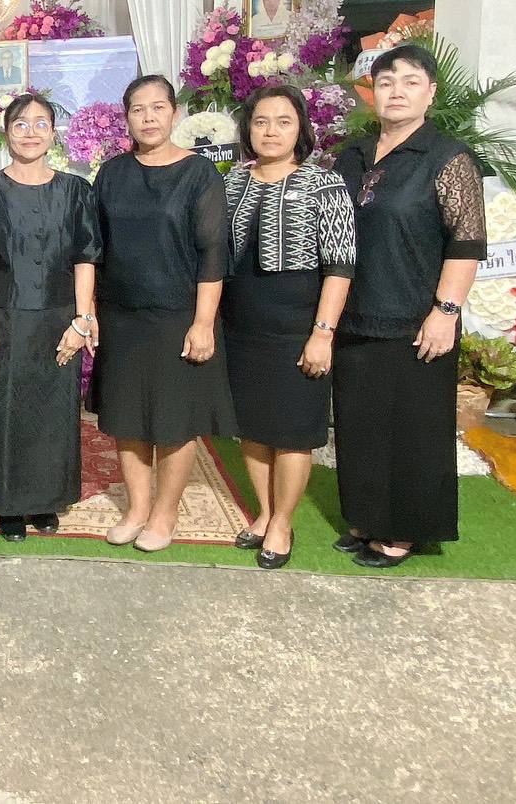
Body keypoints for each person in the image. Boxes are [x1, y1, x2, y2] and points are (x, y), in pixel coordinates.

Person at [331, 44, 486, 568]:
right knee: (361, 426)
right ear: (372, 93)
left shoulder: (448, 158)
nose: (396, 91)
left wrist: (446, 311)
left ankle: (402, 531)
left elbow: (466, 243)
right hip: (355, 315)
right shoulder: (351, 157)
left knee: (412, 431)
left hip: (417, 320)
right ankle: (366, 519)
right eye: (386, 81)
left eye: (410, 81)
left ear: (431, 93)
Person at [92, 75, 237, 553]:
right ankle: (137, 508)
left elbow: (213, 252)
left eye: (158, 107)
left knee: (175, 420)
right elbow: (94, 248)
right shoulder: (112, 174)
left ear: (174, 113)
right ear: (126, 117)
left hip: (179, 316)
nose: (148, 117)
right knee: (127, 417)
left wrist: (203, 322)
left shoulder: (199, 174)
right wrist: (90, 311)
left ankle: (165, 512)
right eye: (138, 109)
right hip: (121, 316)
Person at [0, 93, 101, 542]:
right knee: (1, 412)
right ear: (6, 132)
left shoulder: (76, 190)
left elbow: (86, 257)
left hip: (59, 321)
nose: (30, 133)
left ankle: (46, 501)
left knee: (53, 413)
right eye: (20, 124)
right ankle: (8, 506)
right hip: (2, 320)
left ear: (53, 133)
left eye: (40, 124)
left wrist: (82, 320)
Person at [222, 85, 357, 570]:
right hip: (241, 325)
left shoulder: (326, 185)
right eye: (261, 121)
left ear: (301, 128)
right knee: (252, 426)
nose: (271, 131)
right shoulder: (232, 182)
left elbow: (340, 266)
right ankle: (264, 512)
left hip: (298, 325)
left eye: (283, 121)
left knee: (293, 430)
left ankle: (283, 522)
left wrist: (323, 333)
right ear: (248, 128)